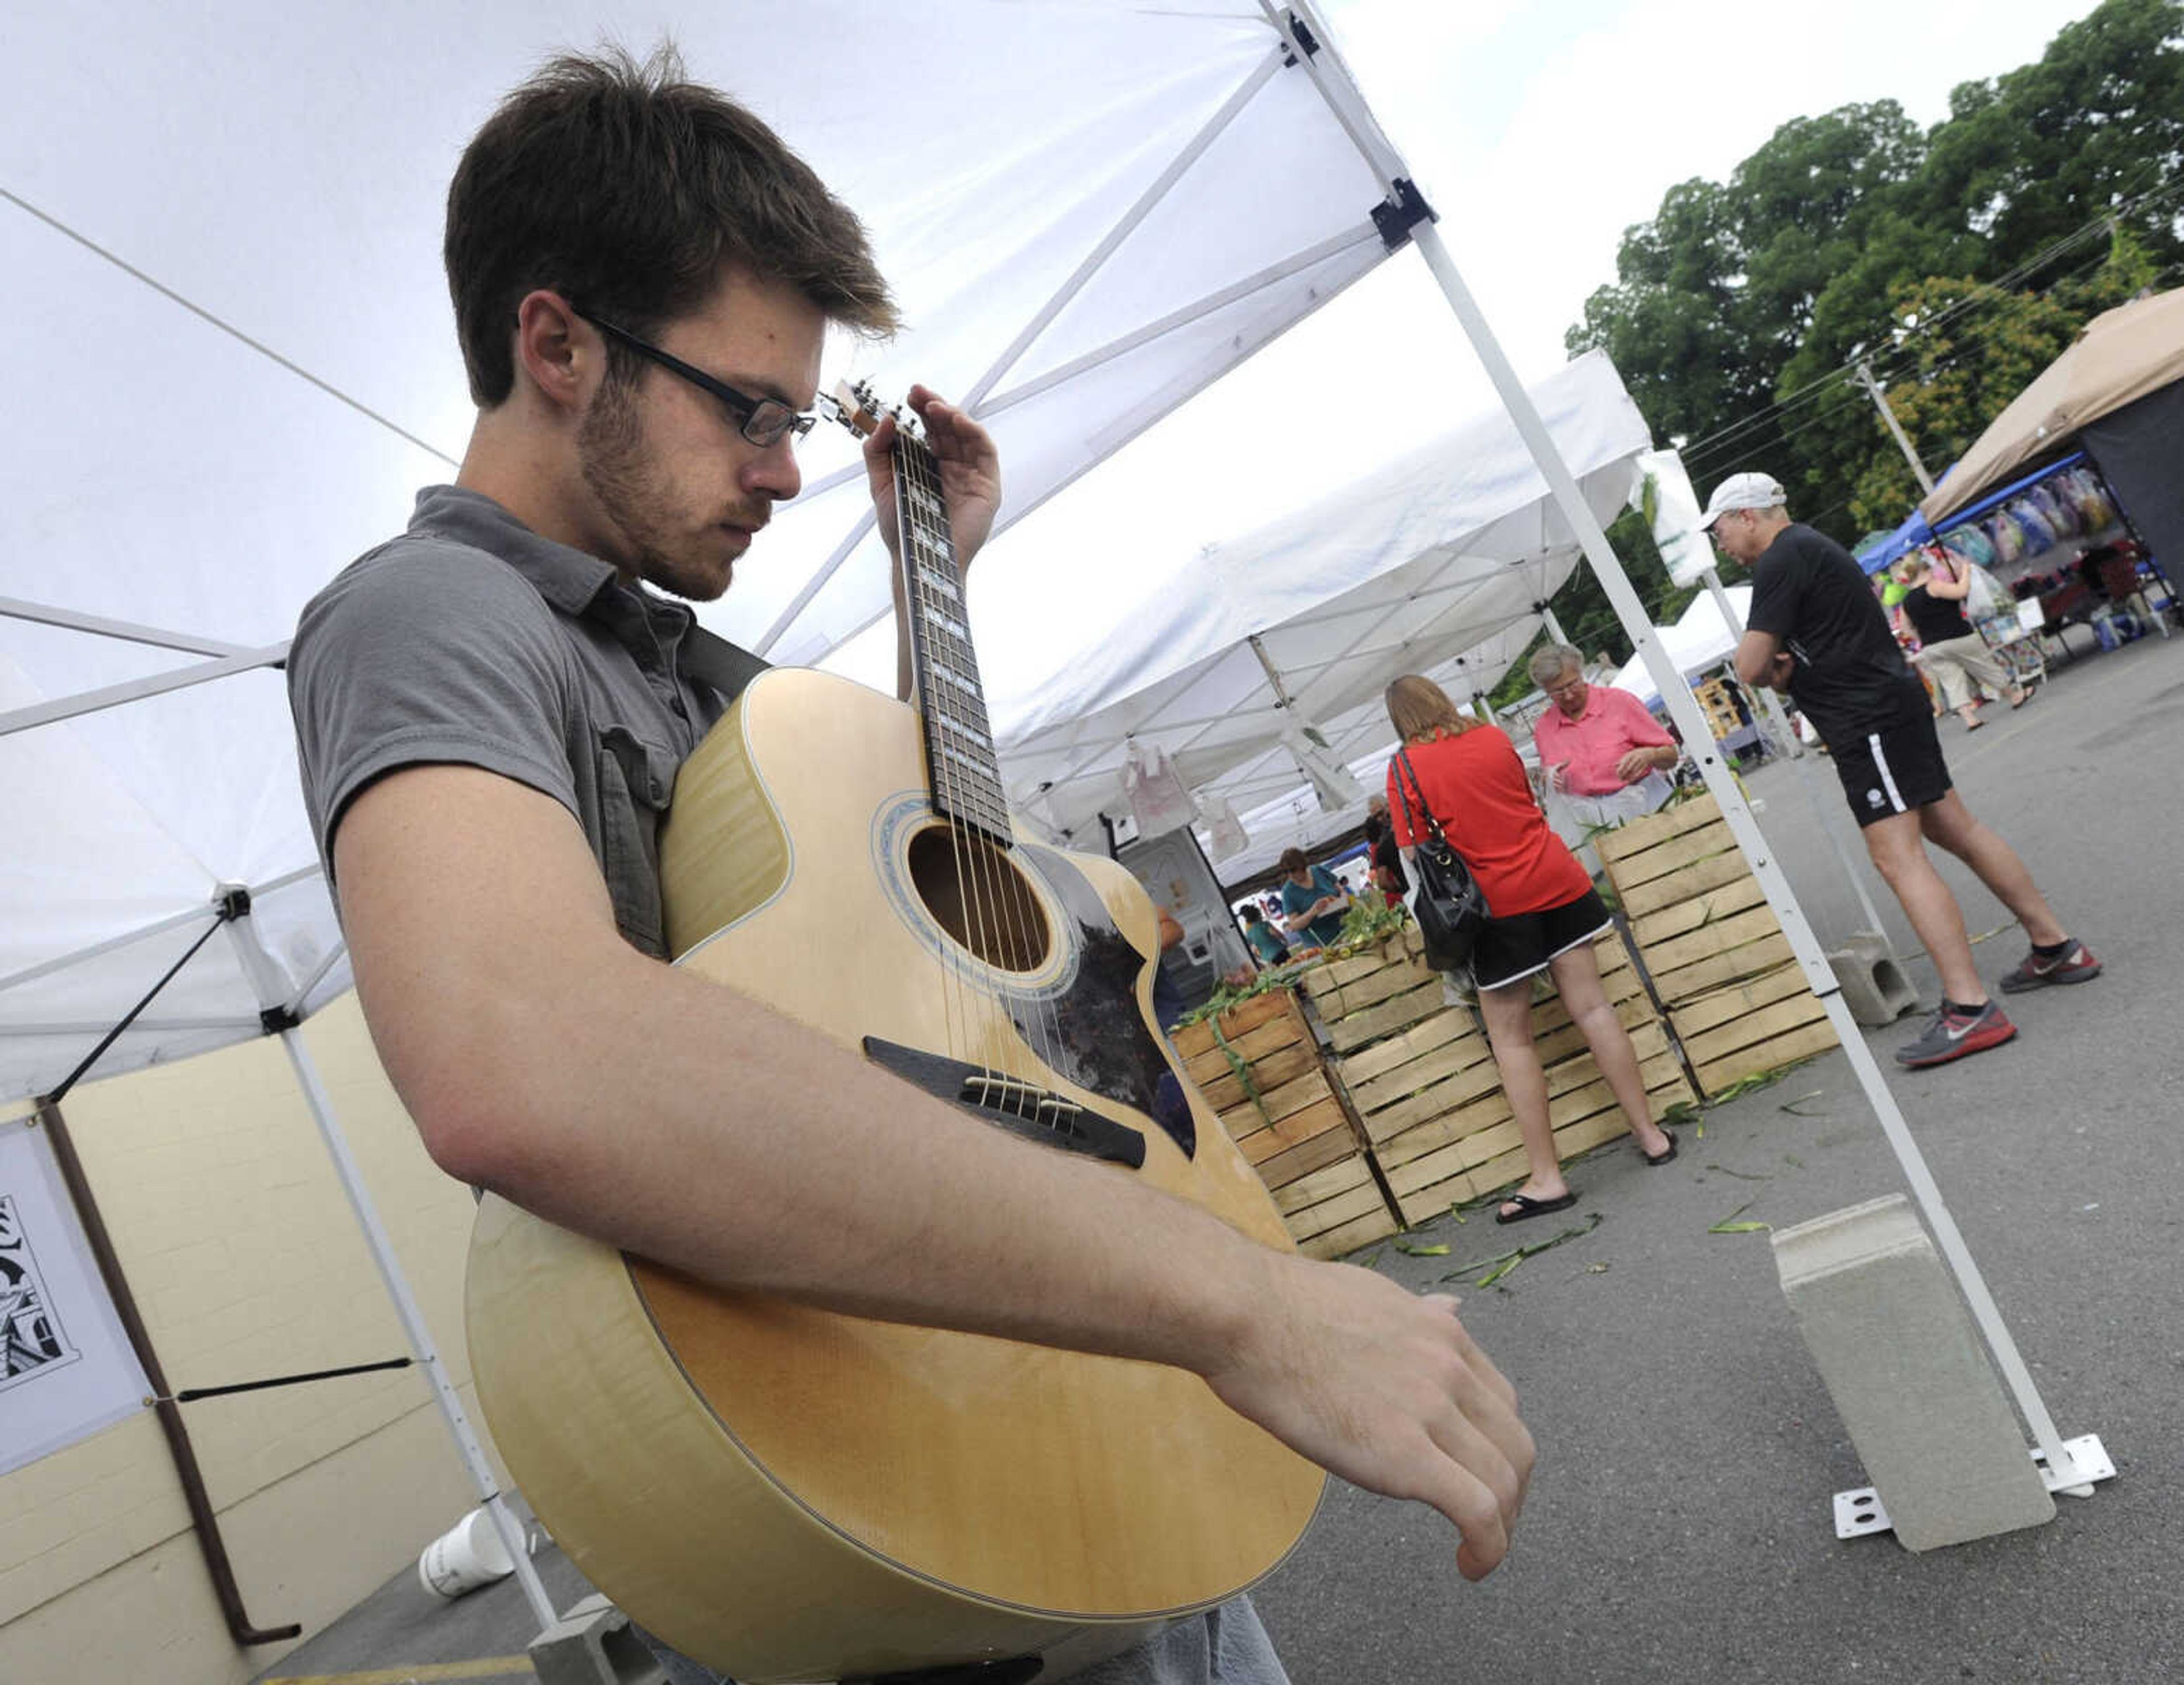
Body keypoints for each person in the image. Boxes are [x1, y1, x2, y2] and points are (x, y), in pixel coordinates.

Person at [284, 47, 1530, 1685]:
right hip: (844, 1501)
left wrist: (941, 571)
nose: (788, 469)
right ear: (558, 343)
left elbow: (891, 943)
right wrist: (1239, 1297)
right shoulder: (426, 617)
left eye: (800, 421)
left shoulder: (680, 663)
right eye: (751, 408)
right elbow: (521, 1057)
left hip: (1025, 1412)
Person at [1710, 472, 2100, 1070]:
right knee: (1954, 828)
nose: (1720, 543)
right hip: (1888, 704)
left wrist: (1771, 671)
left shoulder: (1780, 558)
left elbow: (1752, 662)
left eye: (1720, 529)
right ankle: (2056, 945)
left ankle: (1970, 1007)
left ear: (1747, 515)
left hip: (1867, 719)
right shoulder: (1809, 545)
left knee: (1897, 856)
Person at [1381, 675, 1678, 1225]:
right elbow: (1527, 799)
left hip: (1499, 909)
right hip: (1559, 879)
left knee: (1513, 1041)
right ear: (1443, 700)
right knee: (1593, 1009)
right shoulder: (1494, 738)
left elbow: (1411, 857)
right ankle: (1651, 1133)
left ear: (1400, 720)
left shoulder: (1405, 770)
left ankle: (1547, 1177)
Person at [1527, 643, 1680, 825]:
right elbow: (1548, 778)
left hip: (1650, 804)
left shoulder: (1619, 702)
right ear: (1546, 691)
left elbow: (1672, 756)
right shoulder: (1544, 729)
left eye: (1572, 684)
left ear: (1581, 673)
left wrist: (1650, 755)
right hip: (1595, 821)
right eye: (1558, 692)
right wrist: (1552, 779)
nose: (1568, 696)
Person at [1898, 550, 2030, 727]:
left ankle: (1970, 719)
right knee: (1985, 667)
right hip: (1958, 636)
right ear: (1925, 568)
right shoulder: (1934, 586)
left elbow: (1906, 628)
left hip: (1932, 646)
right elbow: (1961, 591)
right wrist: (1966, 571)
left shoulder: (1906, 601)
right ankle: (2015, 696)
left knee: (1952, 683)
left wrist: (1922, 637)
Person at [1275, 847, 1350, 951]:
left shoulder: (1319, 871)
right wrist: (1313, 912)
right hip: (1319, 946)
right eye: (1287, 872)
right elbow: (1294, 925)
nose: (1291, 876)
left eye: (1294, 871)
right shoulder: (1288, 892)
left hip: (1346, 932)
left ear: (1303, 866)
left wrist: (1340, 902)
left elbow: (1342, 892)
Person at [1363, 794, 1409, 905]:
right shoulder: (1409, 822)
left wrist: (1399, 888)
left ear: (1389, 805)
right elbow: (1383, 882)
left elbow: (1383, 883)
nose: (1380, 819)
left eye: (1381, 813)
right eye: (1376, 817)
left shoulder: (1381, 847)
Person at [1238, 902, 1290, 968]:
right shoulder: (1265, 924)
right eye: (1260, 914)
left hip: (1268, 959)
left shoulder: (1249, 933)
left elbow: (1253, 949)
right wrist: (1285, 941)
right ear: (1258, 915)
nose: (1262, 916)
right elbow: (1278, 934)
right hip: (1280, 952)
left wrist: (1260, 958)